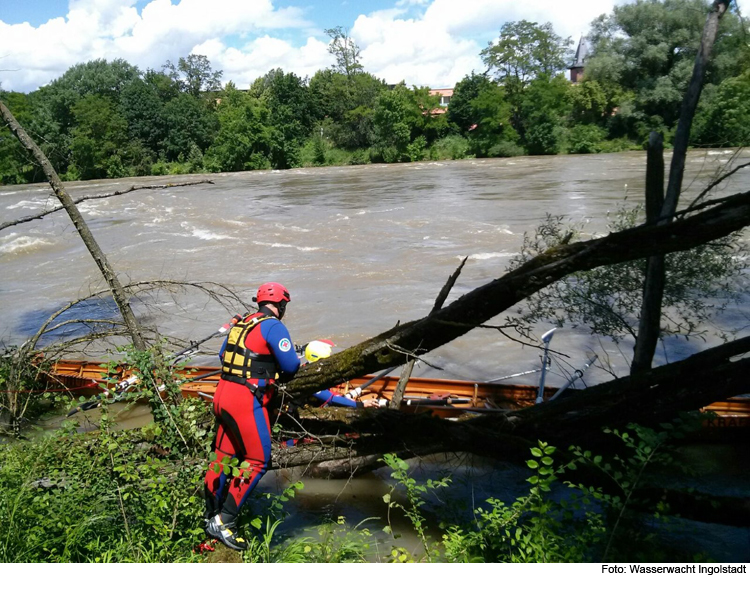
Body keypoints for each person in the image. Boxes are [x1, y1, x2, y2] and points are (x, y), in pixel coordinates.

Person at [203, 282, 300, 551]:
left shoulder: (243, 322)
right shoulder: (273, 326)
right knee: (258, 460)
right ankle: (225, 522)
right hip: (245, 400)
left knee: (222, 457)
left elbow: (225, 355)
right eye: (284, 305)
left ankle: (210, 515)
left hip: (222, 394)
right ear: (280, 304)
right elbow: (291, 365)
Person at [302, 340, 379, 409]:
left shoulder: (307, 367)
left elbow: (327, 393)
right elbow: (331, 399)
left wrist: (342, 398)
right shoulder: (308, 379)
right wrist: (360, 404)